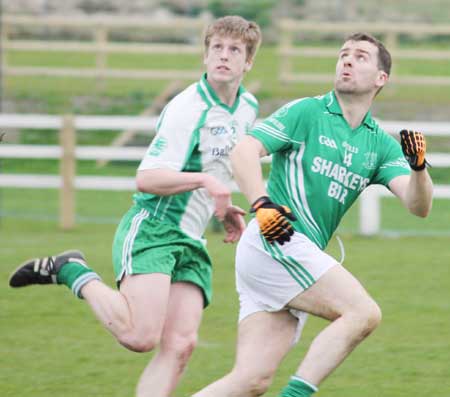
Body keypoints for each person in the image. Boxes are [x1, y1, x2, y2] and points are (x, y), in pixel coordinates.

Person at [9, 15, 262, 397]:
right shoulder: (187, 109)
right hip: (155, 229)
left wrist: (224, 209)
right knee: (139, 336)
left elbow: (222, 165)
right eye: (216, 48)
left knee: (180, 345)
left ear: (248, 63)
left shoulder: (248, 107)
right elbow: (147, 178)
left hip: (191, 240)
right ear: (205, 56)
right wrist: (206, 183)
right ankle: (72, 269)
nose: (223, 57)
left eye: (234, 50)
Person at [192, 32, 433, 397]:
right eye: (343, 54)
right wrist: (261, 203)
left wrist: (419, 169)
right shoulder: (308, 111)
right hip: (277, 240)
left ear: (381, 78)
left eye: (361, 57)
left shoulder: (380, 144)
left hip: (289, 257)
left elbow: (418, 206)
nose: (347, 61)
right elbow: (243, 151)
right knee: (363, 313)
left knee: (250, 382)